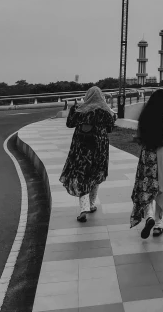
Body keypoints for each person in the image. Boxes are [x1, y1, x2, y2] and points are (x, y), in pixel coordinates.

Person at [59, 86, 116, 222]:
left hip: (82, 150)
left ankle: (84, 208)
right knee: (95, 175)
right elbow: (110, 128)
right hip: (99, 150)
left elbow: (69, 123)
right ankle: (91, 205)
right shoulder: (105, 111)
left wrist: (73, 109)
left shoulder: (81, 111)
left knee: (82, 176)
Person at [130, 89, 163, 238]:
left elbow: (138, 136)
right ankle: (158, 224)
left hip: (149, 155)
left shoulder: (145, 115)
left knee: (147, 187)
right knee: (162, 189)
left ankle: (150, 216)